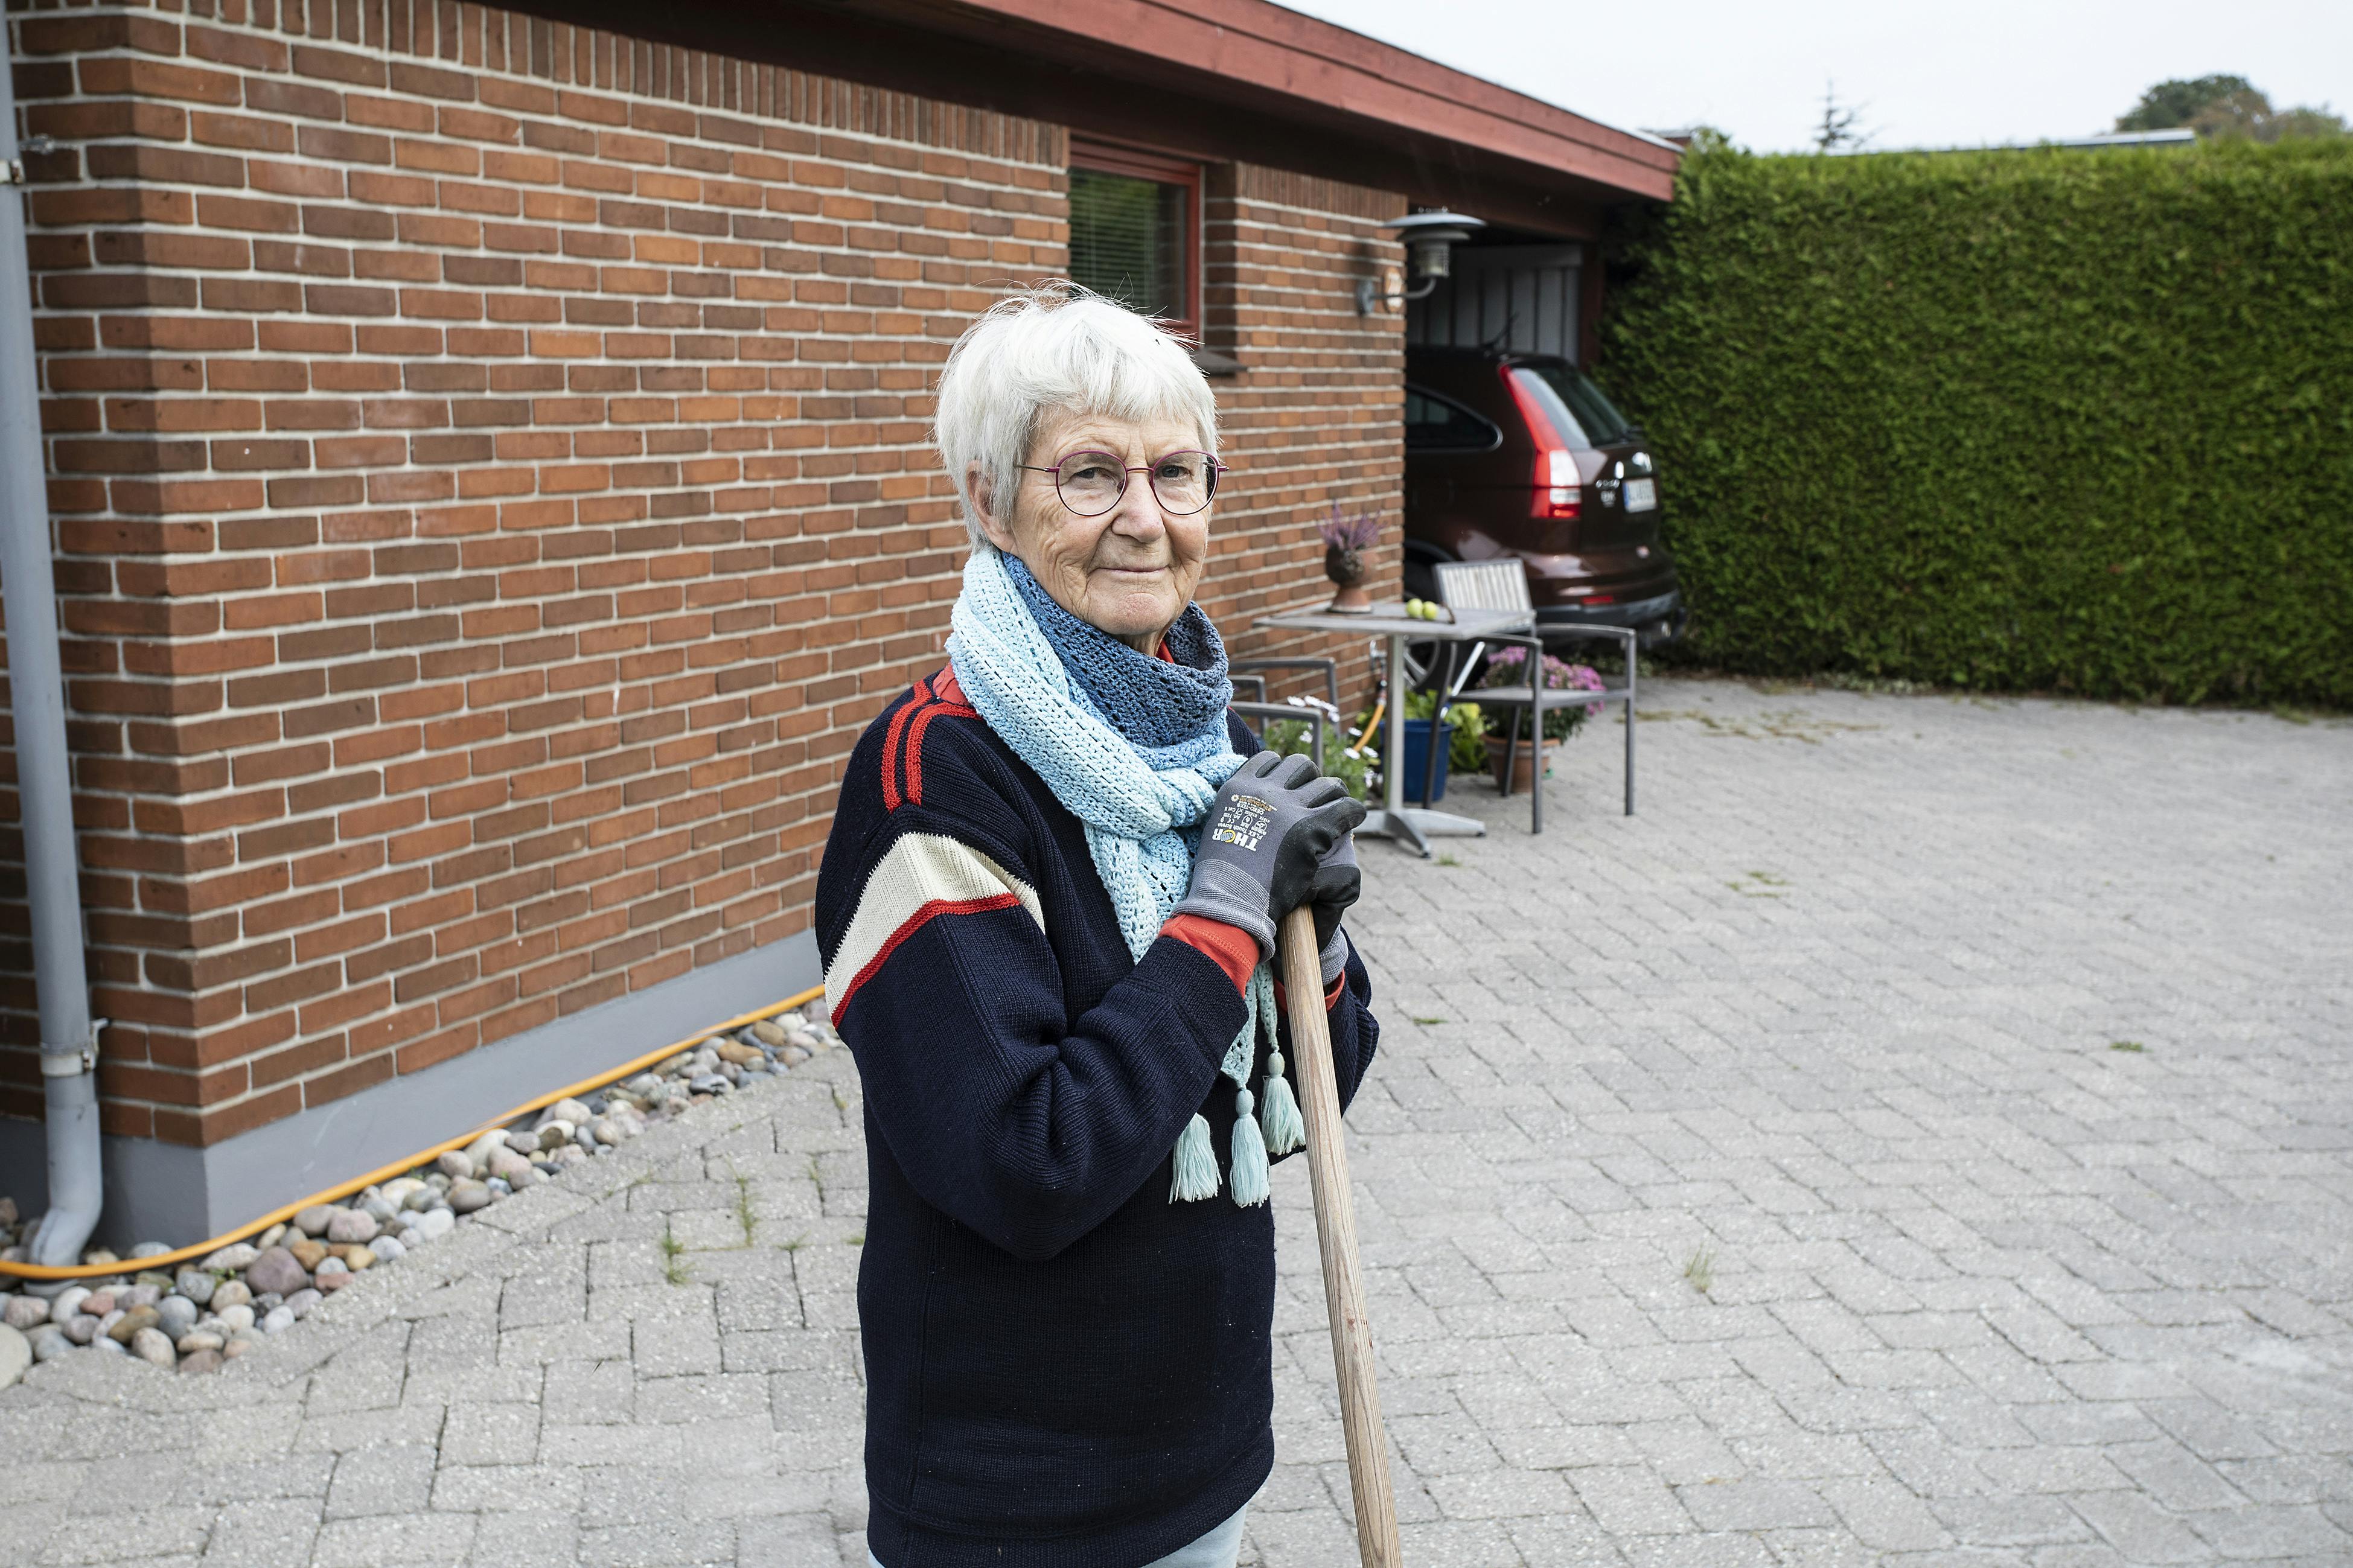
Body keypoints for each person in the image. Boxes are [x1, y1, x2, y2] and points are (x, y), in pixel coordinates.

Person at [815, 284, 1381, 1568]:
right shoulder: (930, 778)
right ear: (986, 501)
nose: (1144, 519)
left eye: (1176, 474)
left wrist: (1318, 938)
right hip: (1018, 1501)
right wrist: (1225, 912)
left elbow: (1314, 1091)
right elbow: (1028, 1162)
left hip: (1206, 1451)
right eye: (1089, 473)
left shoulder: (1204, 748)